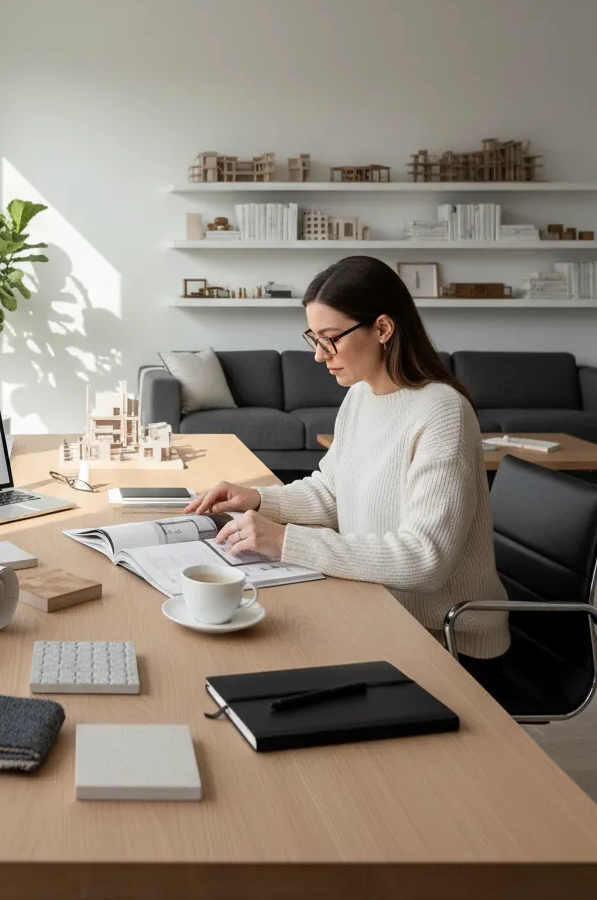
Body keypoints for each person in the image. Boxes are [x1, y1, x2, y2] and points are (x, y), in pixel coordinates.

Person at [186, 255, 509, 663]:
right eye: (315, 338)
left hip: (443, 639)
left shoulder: (443, 412)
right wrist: (257, 499)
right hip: (379, 609)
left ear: (383, 328)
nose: (320, 356)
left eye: (331, 337)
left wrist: (286, 540)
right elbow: (329, 492)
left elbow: (426, 559)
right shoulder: (360, 396)